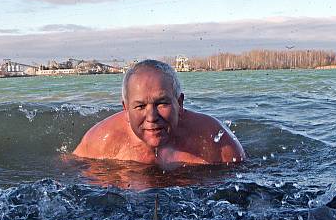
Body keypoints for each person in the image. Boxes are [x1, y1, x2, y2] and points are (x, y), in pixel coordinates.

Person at [73, 60, 245, 167]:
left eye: (162, 103)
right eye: (140, 106)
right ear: (125, 109)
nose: (151, 117)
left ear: (179, 103)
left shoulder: (217, 142)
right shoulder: (99, 143)